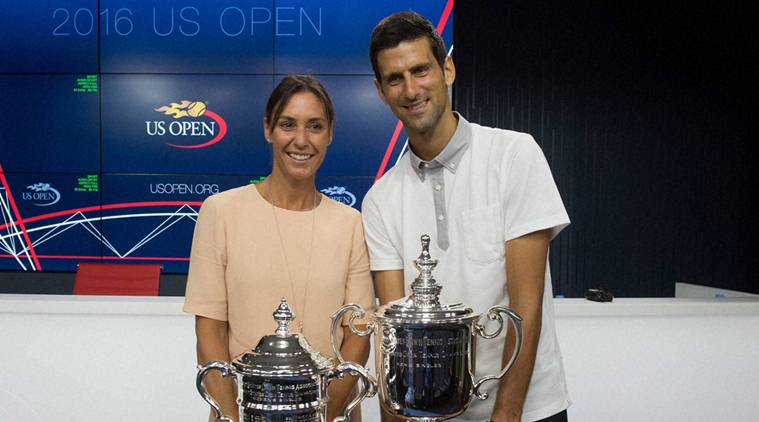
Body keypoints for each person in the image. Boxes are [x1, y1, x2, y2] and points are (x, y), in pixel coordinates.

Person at [362, 12, 571, 422]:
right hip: (433, 415)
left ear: (448, 69)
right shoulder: (380, 200)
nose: (410, 89)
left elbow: (525, 307)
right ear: (381, 91)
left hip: (527, 410)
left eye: (420, 70)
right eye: (394, 78)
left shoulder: (514, 156)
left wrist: (506, 414)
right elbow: (395, 334)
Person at [183, 75, 376, 422]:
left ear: (329, 134)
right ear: (268, 129)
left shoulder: (350, 223)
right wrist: (233, 416)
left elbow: (358, 338)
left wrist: (320, 415)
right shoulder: (221, 212)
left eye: (315, 126)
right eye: (288, 124)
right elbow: (209, 334)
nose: (301, 140)